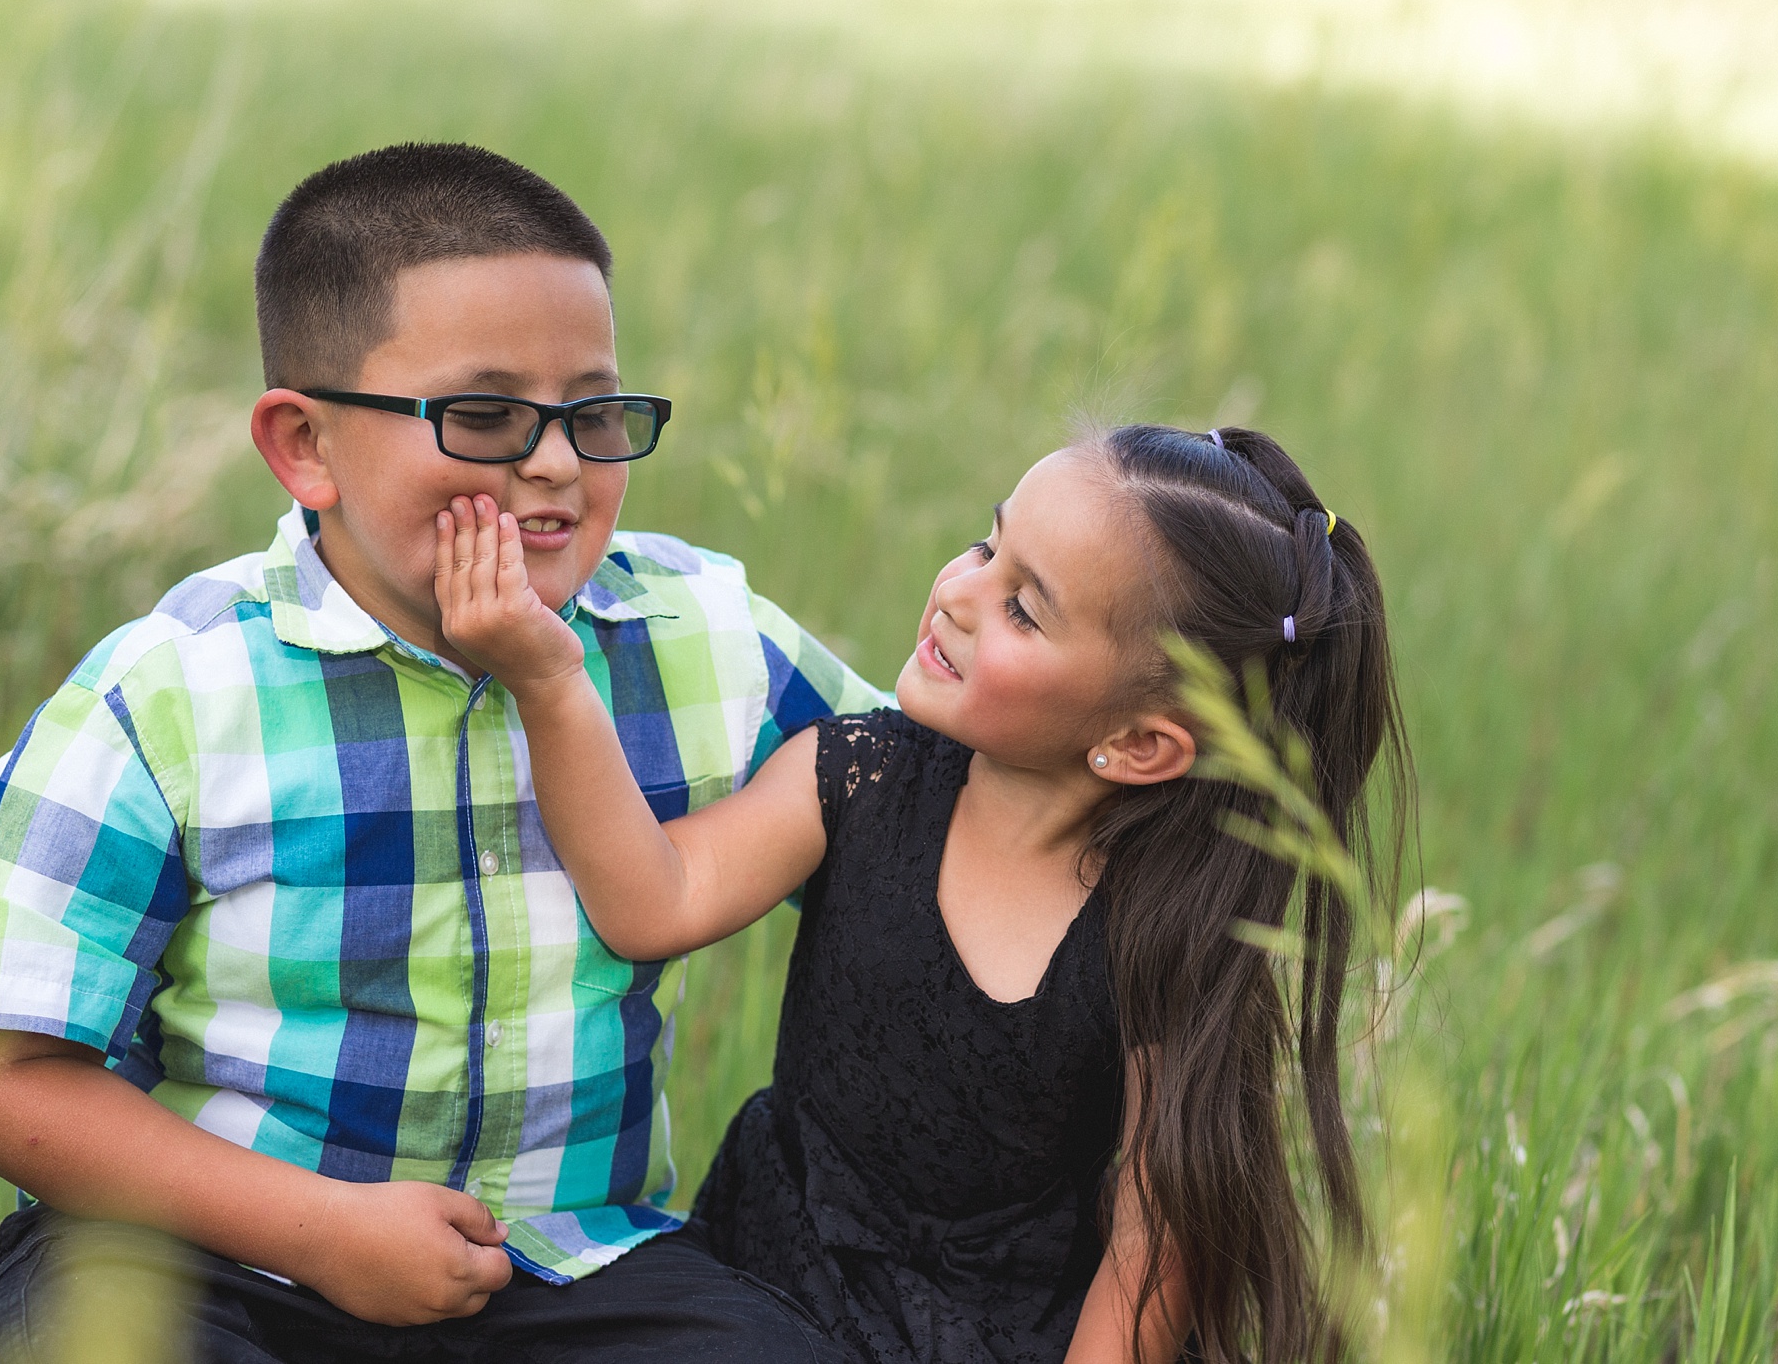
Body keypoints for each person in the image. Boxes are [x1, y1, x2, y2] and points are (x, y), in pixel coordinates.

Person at [0, 142, 881, 1363]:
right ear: (305, 446)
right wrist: (318, 1227)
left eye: (592, 414)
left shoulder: (707, 638)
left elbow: (918, 813)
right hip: (211, 1247)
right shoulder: (173, 686)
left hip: (573, 1256)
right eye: (482, 415)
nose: (552, 463)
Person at [437, 422, 1414, 1363]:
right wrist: (550, 681)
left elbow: (1151, 1239)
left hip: (1012, 1330)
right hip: (772, 1285)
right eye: (985, 544)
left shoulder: (1158, 931)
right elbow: (654, 897)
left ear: (1138, 743)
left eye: (1023, 607)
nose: (957, 592)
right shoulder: (857, 778)